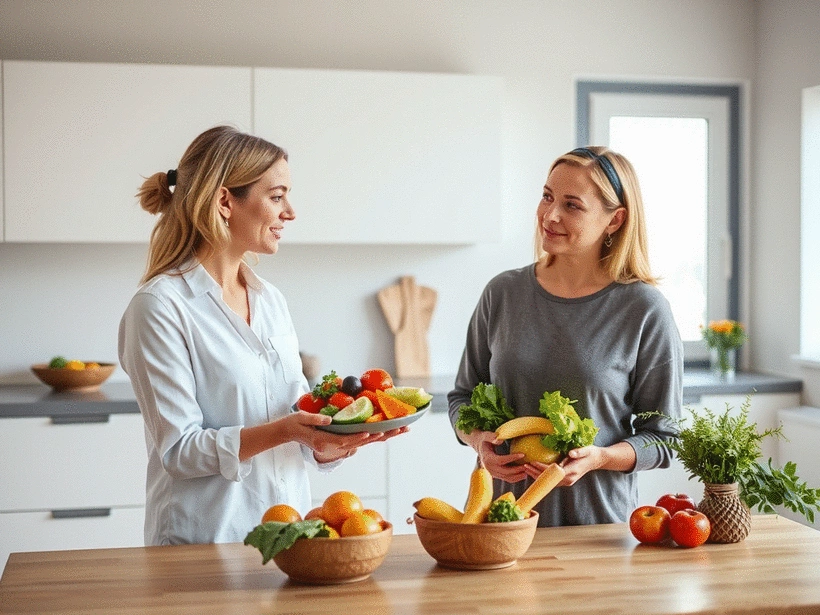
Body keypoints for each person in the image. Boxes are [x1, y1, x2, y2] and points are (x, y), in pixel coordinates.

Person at [119, 125, 405, 546]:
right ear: (224, 201)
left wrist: (329, 442)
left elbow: (293, 412)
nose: (290, 212)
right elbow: (179, 451)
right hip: (205, 544)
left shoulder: (270, 301)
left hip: (288, 539)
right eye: (277, 196)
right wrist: (288, 430)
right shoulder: (160, 307)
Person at [447, 146, 683, 526]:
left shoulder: (643, 309)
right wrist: (478, 442)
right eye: (546, 197)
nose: (550, 215)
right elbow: (461, 397)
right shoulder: (503, 293)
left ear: (615, 220)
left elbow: (665, 438)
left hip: (599, 532)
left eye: (572, 205)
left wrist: (601, 458)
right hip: (499, 527)